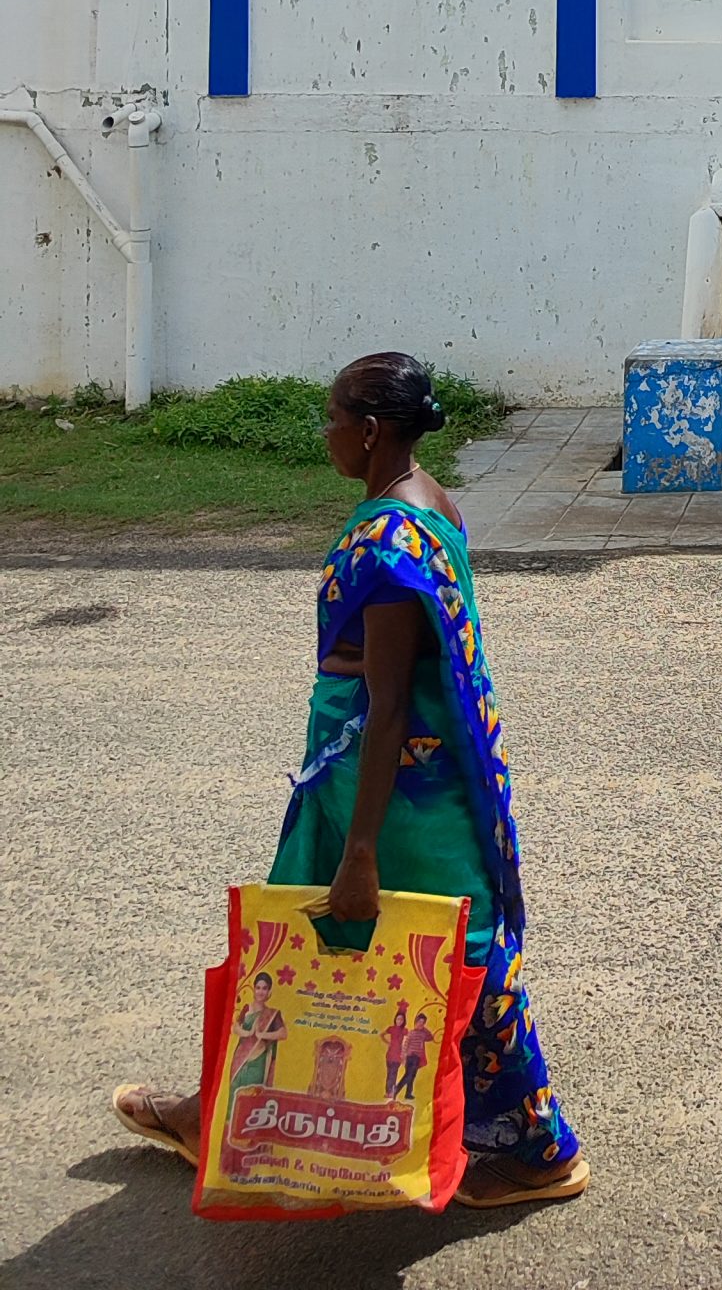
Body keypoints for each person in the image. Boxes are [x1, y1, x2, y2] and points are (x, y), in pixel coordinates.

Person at [112, 352, 589, 1208]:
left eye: (332, 418)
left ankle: (541, 1149)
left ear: (369, 432)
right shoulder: (428, 501)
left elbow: (391, 697)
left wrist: (363, 847)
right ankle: (218, 1112)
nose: (325, 433)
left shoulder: (390, 542)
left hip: (399, 794)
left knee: (457, 953)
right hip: (373, 778)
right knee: (295, 939)